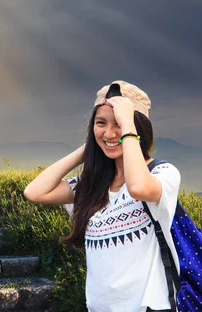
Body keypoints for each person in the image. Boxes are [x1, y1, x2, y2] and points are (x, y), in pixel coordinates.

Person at [23, 80, 181, 312]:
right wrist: (88, 148)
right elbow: (34, 192)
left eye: (119, 124)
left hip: (148, 306)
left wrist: (128, 124)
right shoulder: (91, 186)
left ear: (137, 128)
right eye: (101, 123)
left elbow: (137, 187)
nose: (109, 132)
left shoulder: (161, 173)